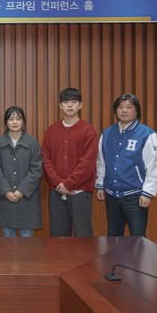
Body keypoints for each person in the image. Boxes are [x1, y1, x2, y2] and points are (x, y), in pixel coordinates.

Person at [95, 94, 157, 237]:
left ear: (137, 110)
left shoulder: (147, 134)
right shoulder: (107, 133)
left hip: (136, 196)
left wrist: (148, 192)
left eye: (129, 107)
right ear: (115, 111)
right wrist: (100, 184)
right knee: (113, 236)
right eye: (120, 107)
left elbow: (155, 166)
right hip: (111, 195)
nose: (124, 110)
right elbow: (101, 162)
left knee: (138, 238)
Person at [42, 88, 98, 237]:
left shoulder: (88, 130)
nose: (70, 105)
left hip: (80, 192)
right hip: (56, 191)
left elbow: (87, 163)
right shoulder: (51, 130)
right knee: (58, 237)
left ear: (80, 105)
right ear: (60, 106)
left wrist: (68, 184)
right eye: (66, 102)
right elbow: (46, 160)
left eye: (74, 102)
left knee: (83, 237)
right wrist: (59, 184)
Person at [0, 106, 43, 237]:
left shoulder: (32, 143)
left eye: (18, 119)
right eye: (11, 119)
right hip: (5, 199)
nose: (14, 122)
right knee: (7, 241)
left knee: (27, 242)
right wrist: (6, 190)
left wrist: (22, 190)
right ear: (6, 122)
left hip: (27, 199)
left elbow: (37, 169)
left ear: (23, 122)